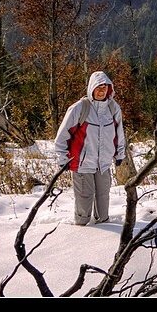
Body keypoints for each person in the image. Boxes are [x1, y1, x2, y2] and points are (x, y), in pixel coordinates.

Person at [55, 71, 126, 225]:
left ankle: (104, 224)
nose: (102, 91)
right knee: (84, 197)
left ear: (109, 89)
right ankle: (81, 228)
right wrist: (63, 158)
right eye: (98, 87)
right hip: (82, 163)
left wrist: (120, 154)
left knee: (103, 196)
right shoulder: (80, 108)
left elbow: (119, 133)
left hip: (103, 163)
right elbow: (62, 136)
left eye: (104, 87)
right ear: (91, 88)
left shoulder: (113, 108)